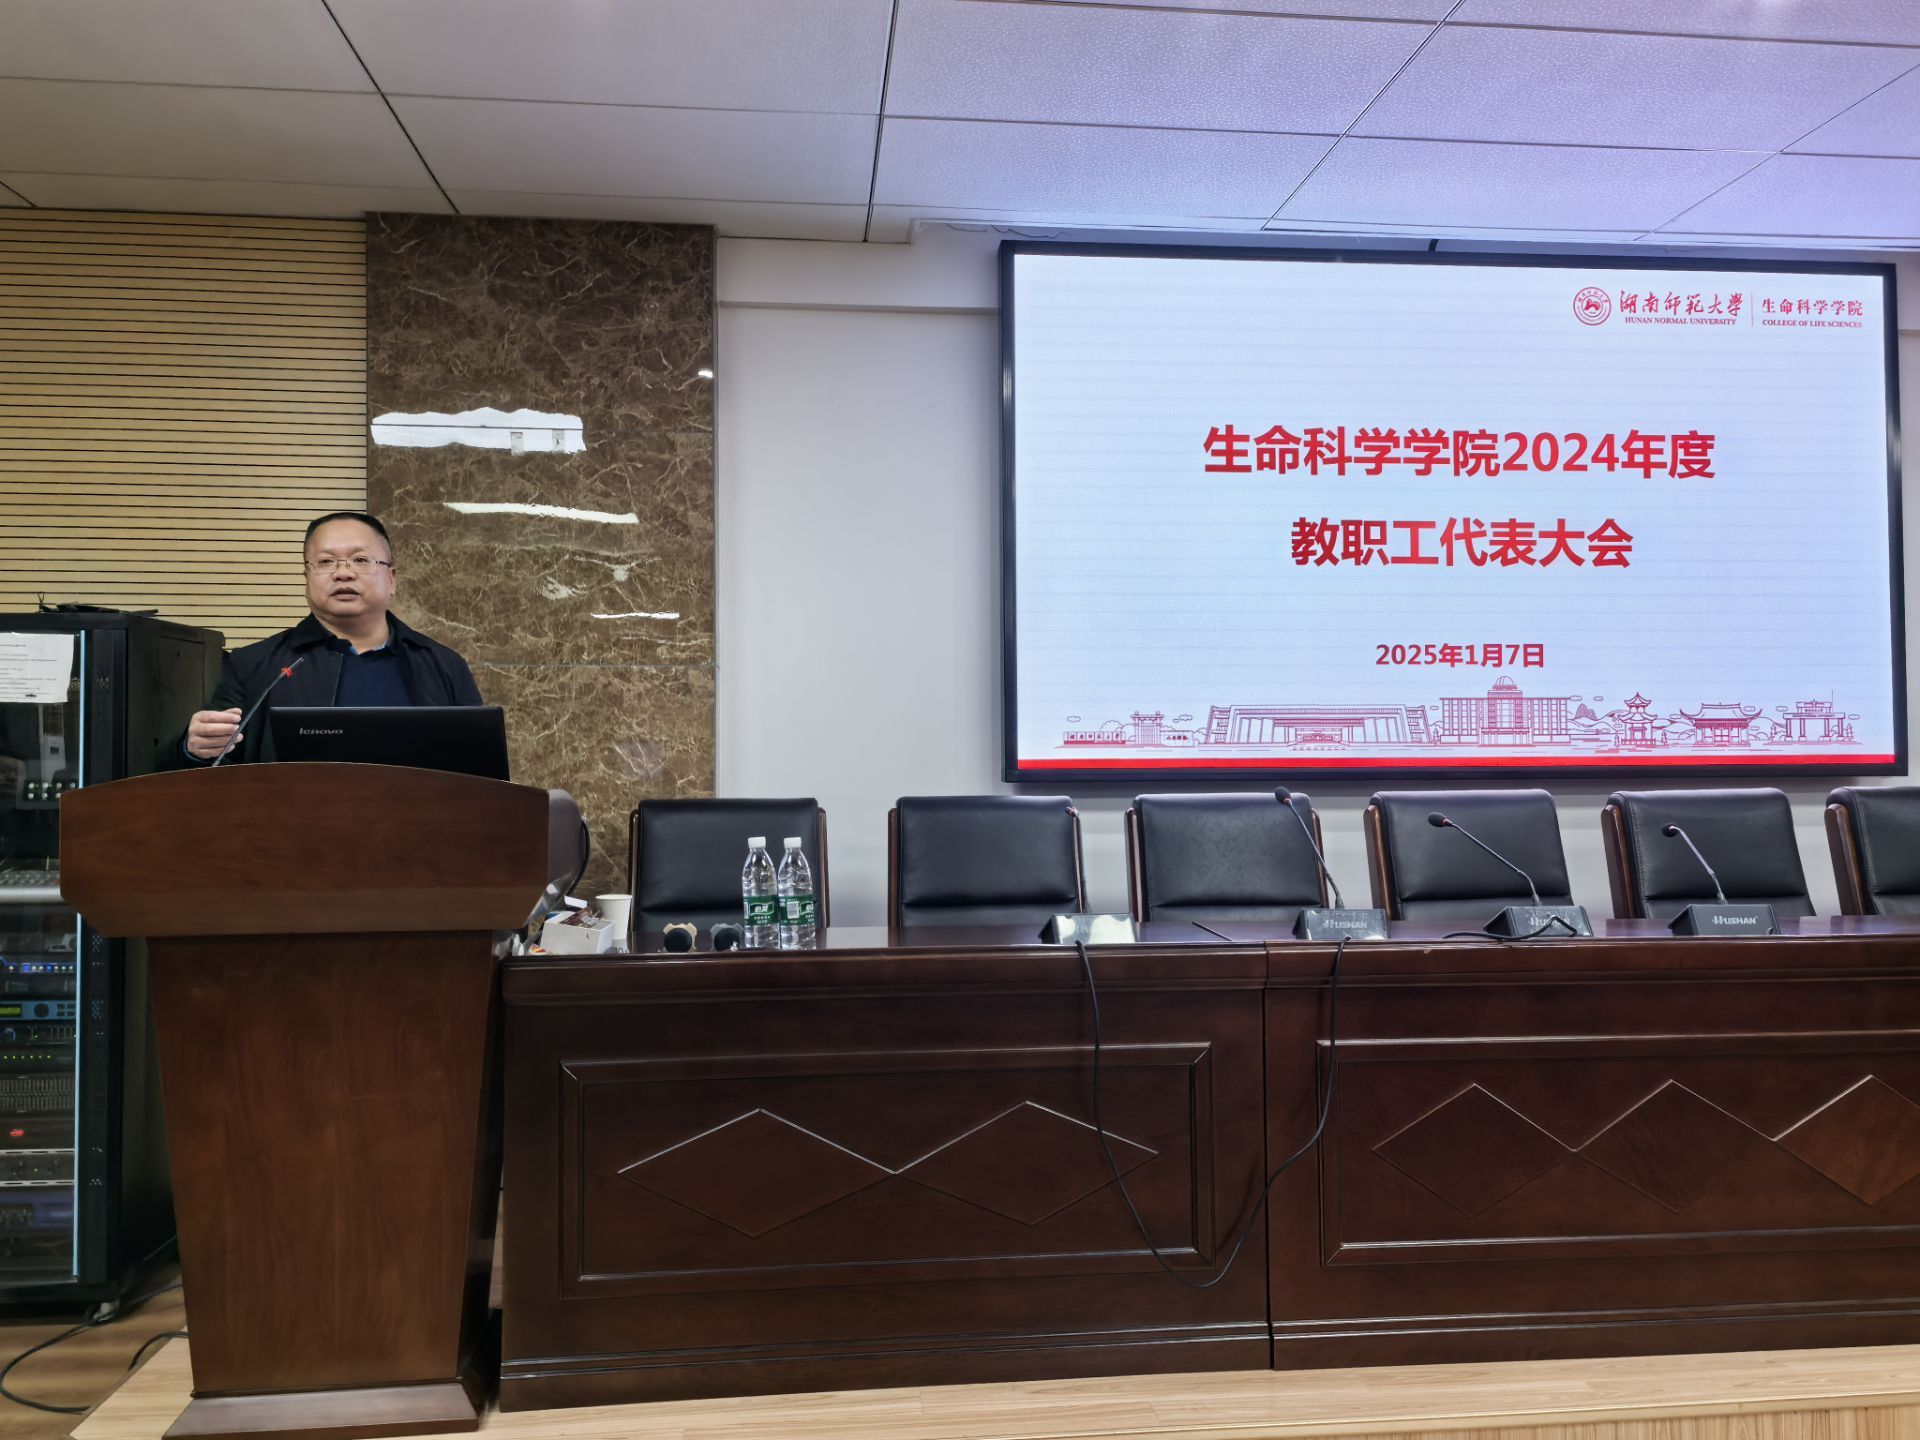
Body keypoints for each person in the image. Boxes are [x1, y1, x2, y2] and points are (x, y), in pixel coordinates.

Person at [177, 511, 482, 765]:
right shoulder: (253, 665)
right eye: (325, 562)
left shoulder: (443, 665)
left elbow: (479, 769)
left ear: (391, 580)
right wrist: (194, 750)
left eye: (360, 560)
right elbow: (215, 769)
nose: (343, 573)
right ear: (307, 579)